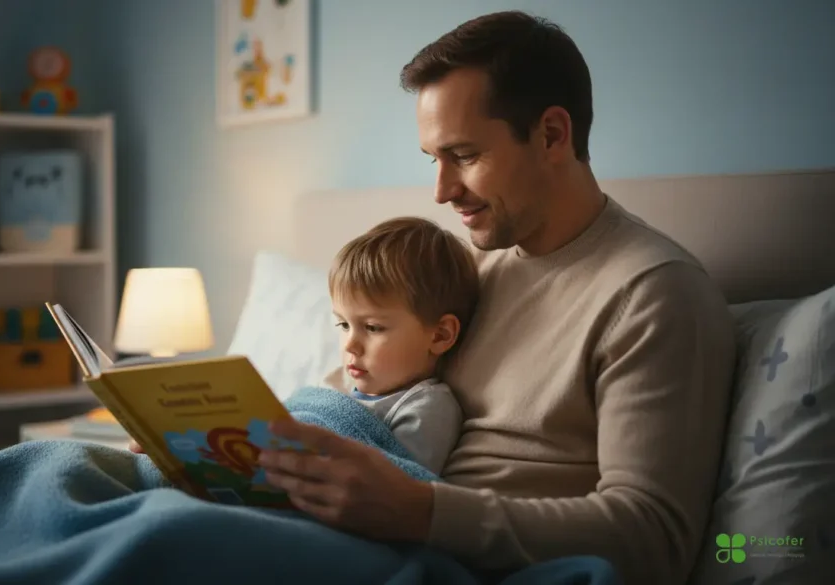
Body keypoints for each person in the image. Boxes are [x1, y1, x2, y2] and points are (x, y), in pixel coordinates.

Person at [252, 10, 737, 585]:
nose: (441, 191)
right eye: (434, 159)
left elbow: (653, 538)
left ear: (552, 135)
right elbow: (355, 402)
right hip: (374, 536)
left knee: (173, 534)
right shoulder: (465, 270)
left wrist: (418, 510)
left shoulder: (653, 293)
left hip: (452, 560)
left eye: (464, 156)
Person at [323, 216, 479, 474]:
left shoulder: (426, 409)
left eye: (373, 328)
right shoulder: (339, 382)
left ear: (439, 335)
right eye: (343, 325)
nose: (350, 345)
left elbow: (394, 485)